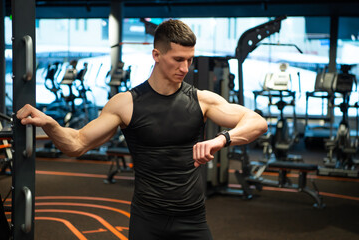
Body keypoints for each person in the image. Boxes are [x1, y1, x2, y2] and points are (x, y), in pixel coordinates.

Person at [17, 19, 268, 240]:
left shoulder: (201, 100)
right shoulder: (125, 104)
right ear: (156, 55)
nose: (185, 68)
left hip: (192, 218)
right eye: (178, 59)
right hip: (147, 220)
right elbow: (77, 143)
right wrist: (50, 124)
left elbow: (257, 122)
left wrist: (222, 139)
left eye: (189, 60)